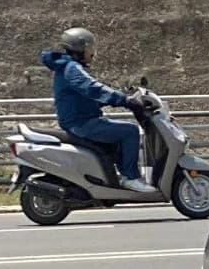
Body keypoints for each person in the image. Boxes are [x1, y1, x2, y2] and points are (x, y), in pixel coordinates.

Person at [40, 26, 143, 187]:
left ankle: (119, 177)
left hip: (80, 120)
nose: (92, 53)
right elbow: (91, 88)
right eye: (89, 48)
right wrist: (124, 100)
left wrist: (118, 97)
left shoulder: (67, 67)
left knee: (118, 136)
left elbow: (86, 96)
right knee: (130, 131)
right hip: (81, 123)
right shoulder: (72, 68)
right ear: (79, 49)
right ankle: (131, 178)